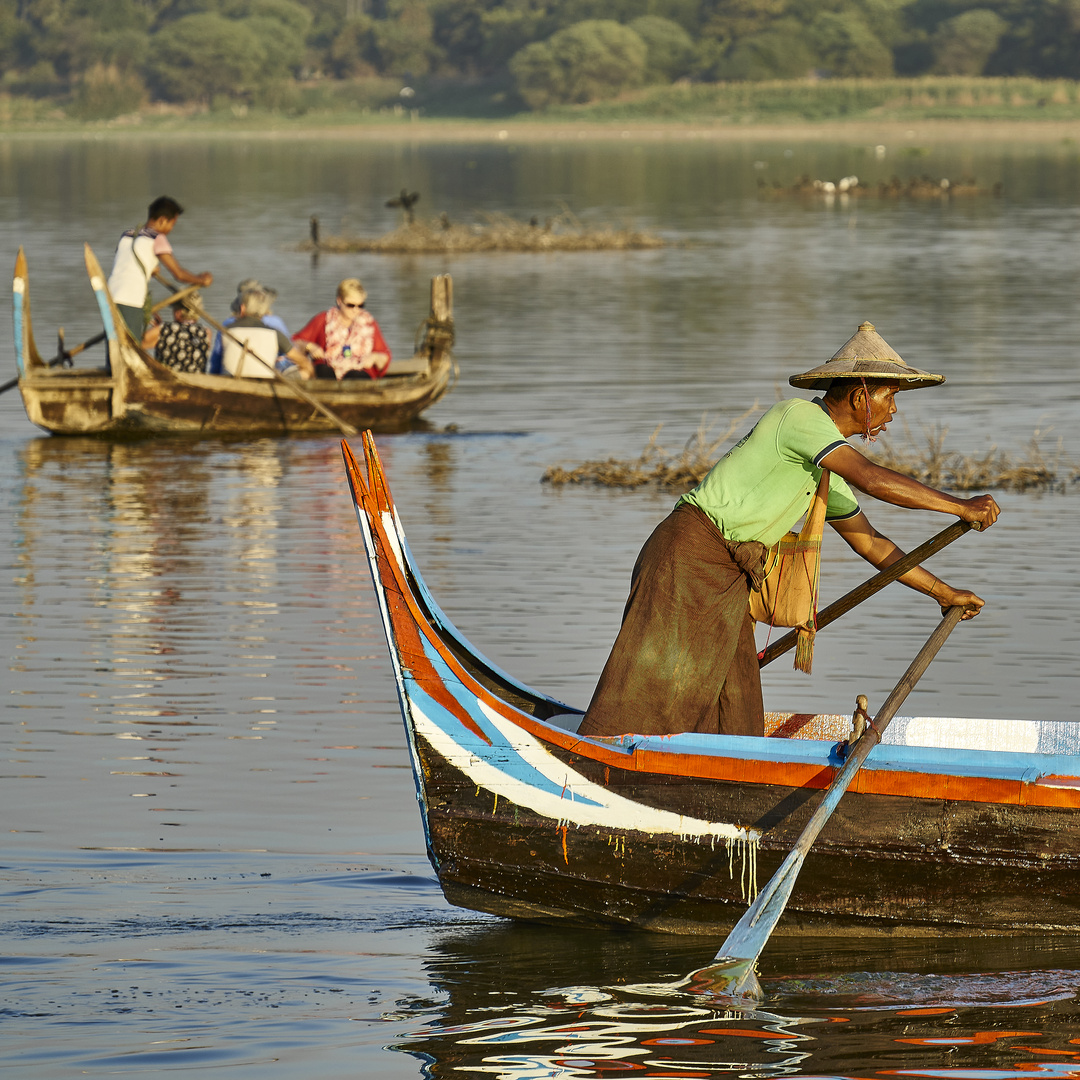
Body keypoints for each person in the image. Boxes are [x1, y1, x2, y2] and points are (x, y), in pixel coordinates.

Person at [577, 322, 1001, 741]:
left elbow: (871, 543)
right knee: (649, 691)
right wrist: (960, 506)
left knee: (735, 706)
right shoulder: (797, 417)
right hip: (688, 559)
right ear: (859, 397)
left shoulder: (822, 470)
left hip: (727, 581)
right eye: (889, 398)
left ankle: (717, 781)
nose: (893, 412)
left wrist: (943, 593)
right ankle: (595, 765)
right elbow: (871, 478)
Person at [107, 196, 213, 340]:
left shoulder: (127, 235)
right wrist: (201, 280)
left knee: (113, 343)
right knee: (130, 347)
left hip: (109, 297)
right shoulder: (157, 238)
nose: (171, 229)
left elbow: (128, 264)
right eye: (172, 224)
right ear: (162, 220)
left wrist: (150, 268)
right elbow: (179, 274)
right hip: (130, 299)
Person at [291, 278, 391, 380]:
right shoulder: (323, 320)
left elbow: (384, 357)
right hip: (328, 374)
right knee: (323, 370)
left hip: (359, 374)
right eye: (350, 305)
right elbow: (294, 343)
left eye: (360, 305)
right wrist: (310, 346)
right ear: (339, 301)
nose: (355, 310)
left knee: (356, 376)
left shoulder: (370, 323)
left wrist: (374, 357)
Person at [209, 287, 314, 379]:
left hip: (229, 383)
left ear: (242, 308)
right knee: (306, 371)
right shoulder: (275, 334)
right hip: (265, 385)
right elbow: (303, 362)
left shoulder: (226, 331)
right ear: (265, 311)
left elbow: (215, 366)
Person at [141, 292, 211, 373]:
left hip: (167, 382)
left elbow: (135, 344)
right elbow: (184, 337)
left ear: (179, 312)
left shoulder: (162, 330)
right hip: (196, 382)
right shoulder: (206, 332)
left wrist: (158, 329)